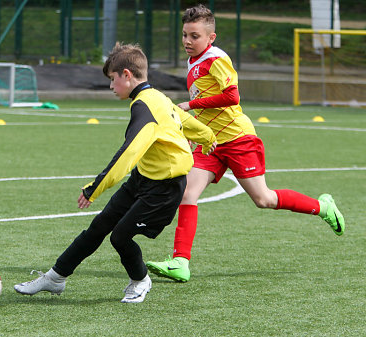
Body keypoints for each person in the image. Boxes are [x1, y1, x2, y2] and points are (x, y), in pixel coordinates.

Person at [145, 4, 345, 283]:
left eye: (194, 36)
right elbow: (207, 109)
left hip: (238, 139)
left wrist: (189, 104)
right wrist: (193, 137)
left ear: (211, 38)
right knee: (188, 193)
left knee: (263, 199)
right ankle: (180, 262)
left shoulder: (216, 59)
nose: (187, 42)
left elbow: (232, 96)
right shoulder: (193, 62)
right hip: (212, 143)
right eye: (184, 35)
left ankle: (323, 207)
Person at [14, 42, 217, 303]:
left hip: (165, 188)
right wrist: (207, 136)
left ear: (127, 75)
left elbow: (128, 154)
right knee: (98, 227)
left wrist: (94, 188)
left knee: (120, 236)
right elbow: (182, 118)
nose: (111, 86)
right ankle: (55, 278)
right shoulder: (155, 97)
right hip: (143, 180)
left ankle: (140, 280)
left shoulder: (145, 106)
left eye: (113, 79)